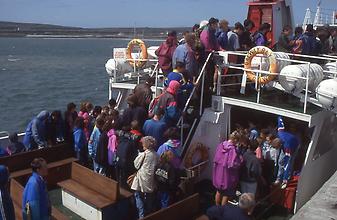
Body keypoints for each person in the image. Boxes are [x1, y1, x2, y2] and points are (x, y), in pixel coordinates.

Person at [131, 136, 159, 219]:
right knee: (150, 198)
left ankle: (141, 215)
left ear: (146, 145)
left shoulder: (143, 154)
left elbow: (136, 165)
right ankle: (150, 214)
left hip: (141, 179)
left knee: (138, 196)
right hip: (151, 180)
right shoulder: (156, 155)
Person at [213, 131, 242, 206]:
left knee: (218, 191)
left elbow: (216, 158)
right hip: (227, 175)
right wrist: (240, 160)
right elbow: (234, 164)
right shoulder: (232, 149)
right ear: (235, 140)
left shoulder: (221, 145)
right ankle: (223, 211)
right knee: (226, 194)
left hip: (219, 173)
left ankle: (217, 207)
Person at [272, 116, 299, 188]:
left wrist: (285, 178)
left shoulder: (287, 148)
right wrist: (279, 116)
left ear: (280, 145)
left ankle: (286, 179)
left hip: (294, 145)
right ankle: (278, 178)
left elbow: (287, 164)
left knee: (289, 161)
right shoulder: (279, 133)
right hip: (286, 143)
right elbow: (280, 123)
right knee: (280, 161)